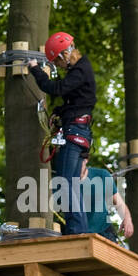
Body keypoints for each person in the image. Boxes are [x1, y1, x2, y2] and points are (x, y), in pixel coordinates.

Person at [27, 31, 95, 235]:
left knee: (65, 185)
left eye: (56, 62)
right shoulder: (82, 69)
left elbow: (54, 88)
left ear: (64, 55)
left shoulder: (79, 71)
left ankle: (76, 232)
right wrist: (59, 112)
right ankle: (79, 230)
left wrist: (35, 69)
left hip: (74, 132)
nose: (57, 66)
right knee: (71, 185)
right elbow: (77, 101)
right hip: (79, 130)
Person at [77, 151, 133, 276]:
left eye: (80, 160)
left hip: (101, 236)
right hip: (78, 241)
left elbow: (118, 202)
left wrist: (127, 218)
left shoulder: (100, 176)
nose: (77, 164)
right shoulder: (64, 179)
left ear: (86, 160)